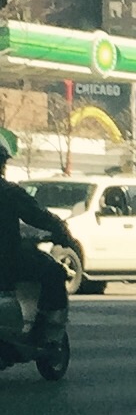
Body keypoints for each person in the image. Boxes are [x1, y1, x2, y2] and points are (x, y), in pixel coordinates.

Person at [0, 128, 78, 343]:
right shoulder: (9, 192)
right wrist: (61, 231)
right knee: (54, 272)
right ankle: (46, 332)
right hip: (7, 261)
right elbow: (38, 216)